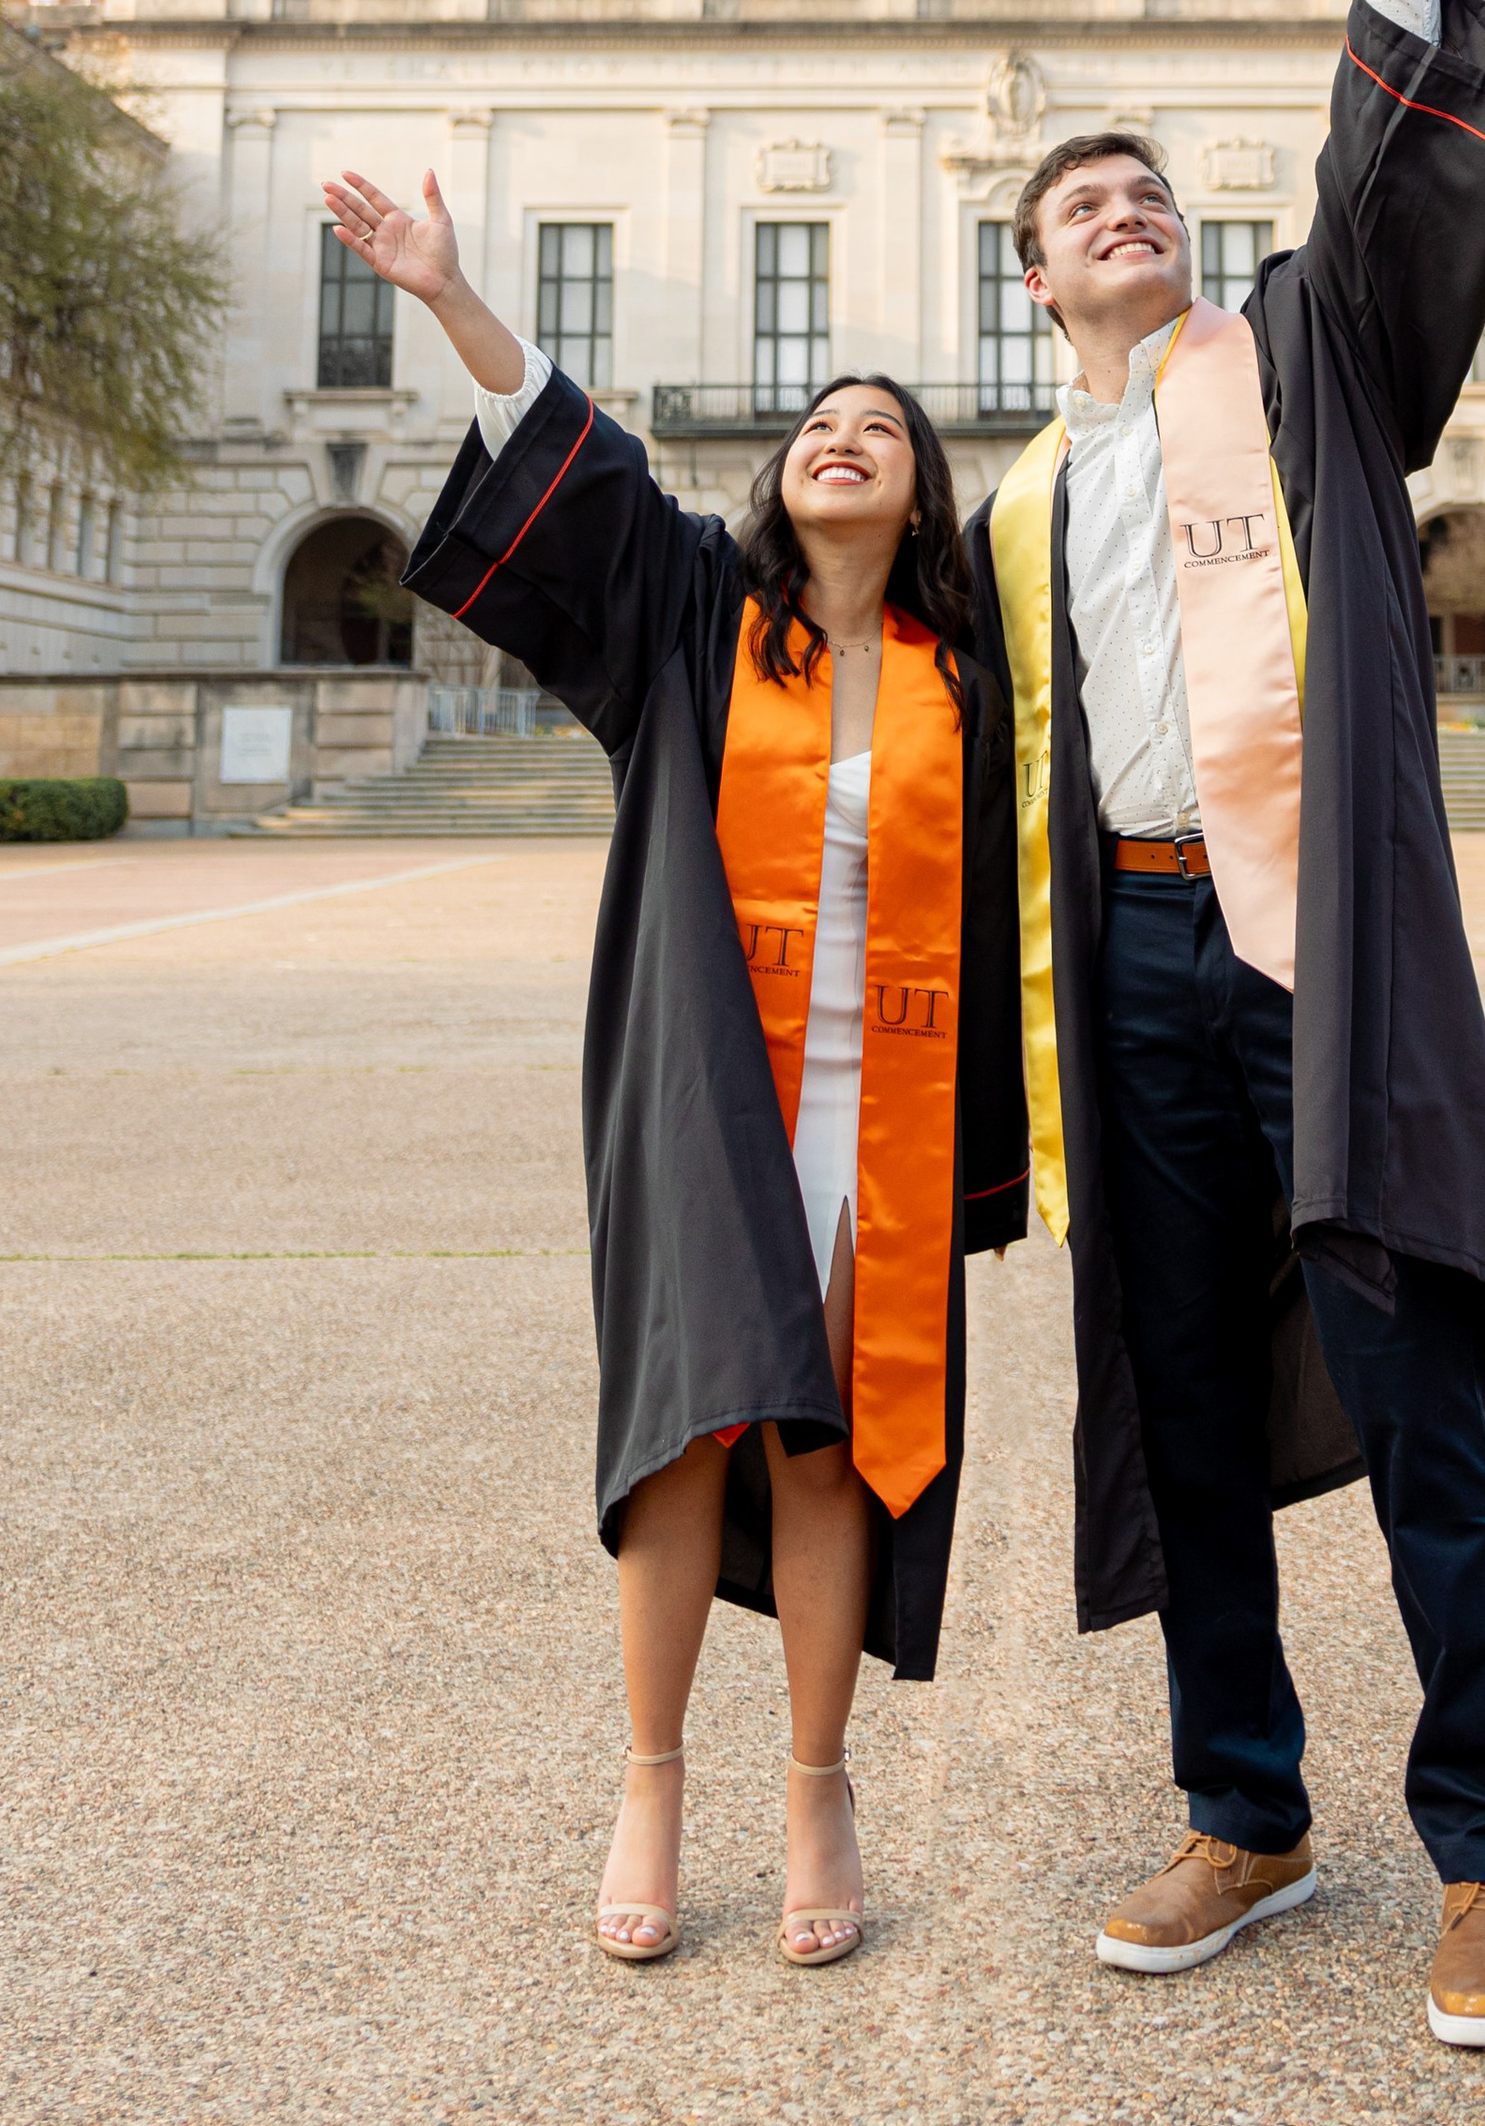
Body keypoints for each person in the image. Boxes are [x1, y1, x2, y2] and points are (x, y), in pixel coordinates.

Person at [965, 0, 1485, 2052]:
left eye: (1142, 193)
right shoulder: (1007, 499)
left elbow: (1384, 179)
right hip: (1110, 948)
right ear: (1033, 285)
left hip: (1300, 930)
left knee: (1407, 1378)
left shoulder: (1295, 363)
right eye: (1073, 208)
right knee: (1185, 1385)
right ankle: (1246, 1799)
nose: (1121, 214)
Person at [318, 171, 1026, 1971]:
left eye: (881, 425)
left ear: (925, 491)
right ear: (784, 480)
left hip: (897, 1102)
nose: (843, 434)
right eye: (819, 422)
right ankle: (650, 1776)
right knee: (686, 1435)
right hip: (711, 1081)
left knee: (829, 1443)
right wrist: (452, 296)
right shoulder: (704, 613)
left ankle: (814, 1784)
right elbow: (581, 466)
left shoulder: (976, 673)